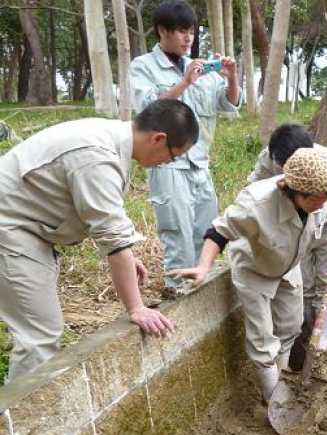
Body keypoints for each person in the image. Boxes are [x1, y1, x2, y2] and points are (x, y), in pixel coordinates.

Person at [171, 148, 327, 431]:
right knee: (263, 339)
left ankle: (282, 383)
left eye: (323, 199)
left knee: (290, 326)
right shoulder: (255, 204)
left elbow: (325, 206)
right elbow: (219, 231)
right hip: (255, 270)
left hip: (288, 264)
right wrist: (203, 267)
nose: (319, 204)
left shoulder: (317, 195)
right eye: (313, 200)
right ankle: (273, 402)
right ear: (293, 191)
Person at [0, 99, 197, 380]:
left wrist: (130, 257)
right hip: (10, 229)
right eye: (174, 155)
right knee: (40, 336)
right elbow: (112, 237)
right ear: (158, 138)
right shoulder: (97, 156)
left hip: (28, 226)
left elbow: (99, 216)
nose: (169, 163)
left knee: (40, 331)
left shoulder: (111, 140)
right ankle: (20, 420)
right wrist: (137, 308)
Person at [130, 0, 241, 297]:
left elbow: (228, 103)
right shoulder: (143, 66)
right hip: (167, 163)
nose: (187, 38)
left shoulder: (203, 68)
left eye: (190, 31)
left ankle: (199, 283)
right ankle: (176, 289)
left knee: (206, 228)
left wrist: (230, 77)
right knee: (176, 230)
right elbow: (148, 109)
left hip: (199, 163)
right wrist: (183, 83)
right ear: (162, 31)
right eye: (180, 31)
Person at [248, 123, 327, 366]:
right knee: (301, 289)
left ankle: (320, 353)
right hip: (294, 229)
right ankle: (300, 346)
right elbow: (254, 191)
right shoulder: (269, 157)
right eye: (281, 168)